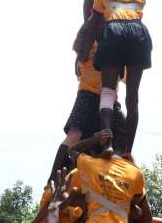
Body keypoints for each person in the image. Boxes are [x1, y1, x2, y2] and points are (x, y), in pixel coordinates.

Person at [76, 0, 154, 154]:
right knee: (133, 97)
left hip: (114, 31)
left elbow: (93, 24)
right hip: (138, 32)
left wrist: (83, 51)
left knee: (108, 92)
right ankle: (127, 150)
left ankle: (107, 143)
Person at [65, 129, 151, 223]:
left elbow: (71, 150)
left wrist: (94, 139)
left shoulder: (91, 164)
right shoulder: (136, 172)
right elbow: (138, 204)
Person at [51, 41, 128, 182]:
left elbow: (127, 75)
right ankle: (52, 178)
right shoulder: (91, 41)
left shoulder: (117, 41)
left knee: (123, 136)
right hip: (87, 94)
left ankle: (122, 177)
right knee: (75, 134)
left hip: (110, 101)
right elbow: (80, 54)